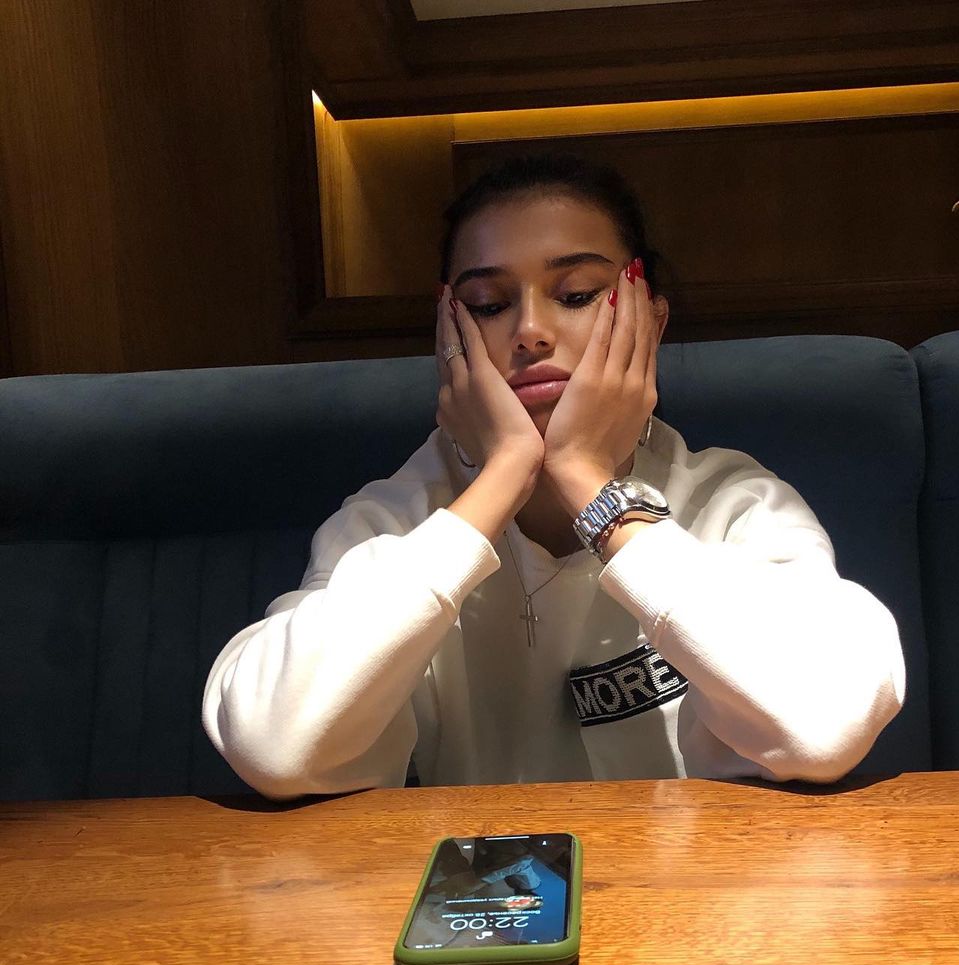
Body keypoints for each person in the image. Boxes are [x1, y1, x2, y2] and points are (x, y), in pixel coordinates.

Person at [202, 152, 906, 799]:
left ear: (650, 319)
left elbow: (826, 724)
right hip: (480, 884)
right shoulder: (396, 520)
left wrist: (589, 484)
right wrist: (502, 477)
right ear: (448, 335)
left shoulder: (733, 503)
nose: (530, 331)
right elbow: (275, 746)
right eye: (488, 304)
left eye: (575, 294)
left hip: (696, 886)